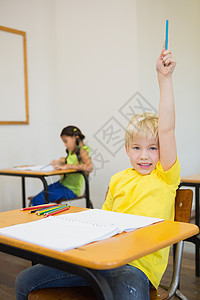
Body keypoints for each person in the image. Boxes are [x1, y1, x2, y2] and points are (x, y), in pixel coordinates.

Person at [15, 45, 180, 300]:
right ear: (127, 149)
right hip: (99, 260)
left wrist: (164, 79)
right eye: (137, 147)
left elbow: (167, 129)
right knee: (25, 280)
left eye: (153, 148)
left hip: (136, 268)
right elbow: (102, 225)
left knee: (127, 293)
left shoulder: (165, 177)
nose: (144, 155)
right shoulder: (118, 179)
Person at [31, 126, 93, 206]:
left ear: (74, 138)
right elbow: (71, 162)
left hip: (71, 190)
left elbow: (89, 167)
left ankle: (46, 217)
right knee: (40, 196)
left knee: (39, 199)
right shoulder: (72, 151)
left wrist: (67, 166)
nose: (65, 145)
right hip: (62, 184)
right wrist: (59, 162)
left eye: (66, 141)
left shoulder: (83, 150)